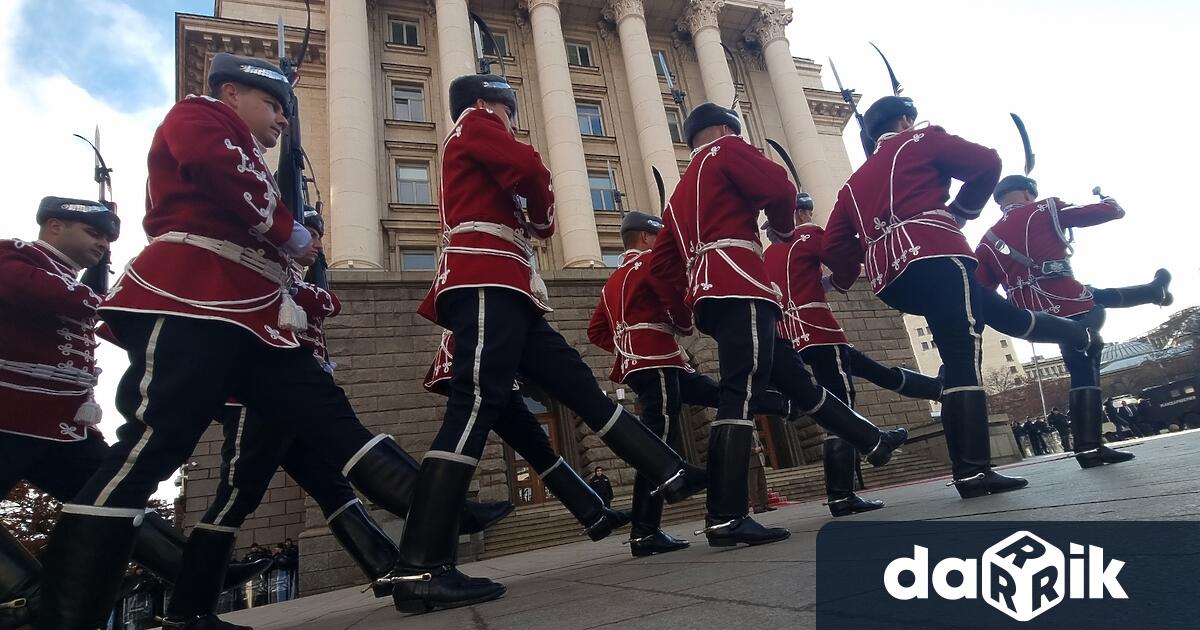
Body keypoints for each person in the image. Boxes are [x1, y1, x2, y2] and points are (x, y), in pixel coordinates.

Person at [33, 53, 486, 629]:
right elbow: (218, 172)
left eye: (284, 108)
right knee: (152, 450)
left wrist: (291, 247)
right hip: (194, 299)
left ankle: (426, 562)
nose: (281, 120)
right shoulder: (198, 116)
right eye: (272, 104)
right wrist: (289, 231)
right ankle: (68, 619)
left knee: (335, 424)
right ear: (229, 92)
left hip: (255, 316)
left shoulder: (247, 150)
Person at [387, 73, 704, 614]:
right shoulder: (477, 123)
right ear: (491, 103)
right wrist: (538, 213)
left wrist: (534, 217)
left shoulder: (476, 137)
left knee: (576, 383)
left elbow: (532, 207)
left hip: (509, 285)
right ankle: (419, 565)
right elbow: (533, 175)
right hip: (486, 278)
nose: (512, 120)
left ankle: (668, 471)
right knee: (475, 405)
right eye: (510, 109)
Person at [0, 197, 268, 628]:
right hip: (9, 418)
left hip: (62, 429)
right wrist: (107, 296)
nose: (103, 244)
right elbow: (25, 289)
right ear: (53, 226)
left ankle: (191, 570)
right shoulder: (14, 255)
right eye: (94, 233)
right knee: (113, 493)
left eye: (108, 237)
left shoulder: (71, 280)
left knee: (117, 498)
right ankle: (26, 595)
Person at [648, 103, 906, 548]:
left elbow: (661, 267)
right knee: (740, 392)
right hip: (741, 282)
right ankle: (726, 516)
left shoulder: (678, 192)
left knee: (796, 382)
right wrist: (784, 228)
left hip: (711, 292)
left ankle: (870, 439)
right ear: (726, 129)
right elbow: (779, 187)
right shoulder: (727, 149)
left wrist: (688, 306)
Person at [821, 96, 1099, 498]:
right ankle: (971, 471)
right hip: (938, 253)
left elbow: (834, 247)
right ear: (904, 119)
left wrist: (845, 277)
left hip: (892, 280)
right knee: (960, 356)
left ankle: (1077, 335)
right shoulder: (920, 139)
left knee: (999, 316)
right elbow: (988, 162)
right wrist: (961, 212)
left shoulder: (852, 183)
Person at [763, 192, 943, 517]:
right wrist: (838, 281)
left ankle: (935, 389)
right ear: (803, 213)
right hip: (819, 328)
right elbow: (843, 257)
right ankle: (841, 494)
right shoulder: (809, 234)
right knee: (840, 405)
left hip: (790, 334)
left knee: (873, 370)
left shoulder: (769, 254)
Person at [977, 175, 1146, 469]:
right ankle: (1089, 446)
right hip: (1070, 301)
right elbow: (1107, 212)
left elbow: (983, 288)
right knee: (1094, 320)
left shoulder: (987, 240)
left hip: (1031, 316)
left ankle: (1090, 446)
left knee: (1081, 361)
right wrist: (1108, 200)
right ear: (1029, 193)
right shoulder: (1045, 209)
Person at [424, 333, 630, 543]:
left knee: (537, 446)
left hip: (493, 363)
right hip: (478, 358)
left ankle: (594, 514)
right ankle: (434, 526)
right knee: (462, 432)